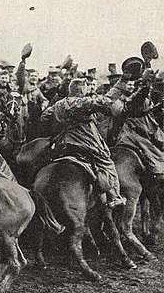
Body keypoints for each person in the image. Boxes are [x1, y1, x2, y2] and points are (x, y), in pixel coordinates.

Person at [40, 77, 145, 208]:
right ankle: (115, 196)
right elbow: (106, 101)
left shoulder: (57, 105)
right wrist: (122, 81)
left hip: (62, 145)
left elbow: (44, 118)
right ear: (82, 89)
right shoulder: (82, 102)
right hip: (86, 145)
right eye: (86, 87)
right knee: (107, 162)